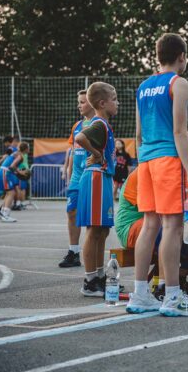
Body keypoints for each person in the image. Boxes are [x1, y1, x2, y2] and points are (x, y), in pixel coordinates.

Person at [127, 33, 188, 317]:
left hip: (146, 161)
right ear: (182, 57)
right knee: (172, 227)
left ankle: (140, 294)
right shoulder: (179, 83)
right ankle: (172, 296)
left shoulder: (144, 85)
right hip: (168, 159)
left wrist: (142, 163)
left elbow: (137, 134)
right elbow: (179, 131)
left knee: (150, 225)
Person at [75, 82, 118, 297]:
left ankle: (100, 275)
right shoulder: (99, 123)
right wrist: (96, 153)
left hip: (103, 178)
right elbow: (80, 137)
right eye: (114, 99)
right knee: (93, 230)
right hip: (95, 178)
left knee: (103, 230)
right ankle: (90, 280)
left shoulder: (104, 125)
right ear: (102, 103)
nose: (117, 103)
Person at [59, 90, 95, 267]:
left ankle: (93, 262)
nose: (79, 105)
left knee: (90, 219)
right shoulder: (77, 126)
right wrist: (69, 173)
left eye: (82, 102)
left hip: (91, 176)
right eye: (79, 102)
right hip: (76, 178)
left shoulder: (99, 124)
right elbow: (73, 151)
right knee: (71, 212)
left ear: (92, 103)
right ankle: (73, 251)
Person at [0, 142, 29, 222]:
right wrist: (20, 172)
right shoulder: (20, 156)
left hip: (3, 172)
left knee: (9, 193)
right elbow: (12, 166)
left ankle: (2, 213)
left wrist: (18, 171)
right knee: (11, 193)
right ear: (26, 149)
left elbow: (12, 166)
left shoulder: (16, 153)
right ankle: (5, 215)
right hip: (5, 173)